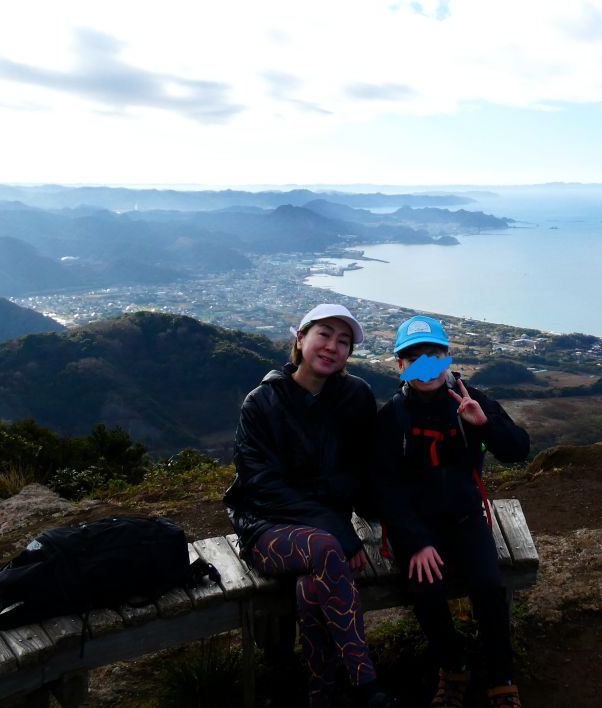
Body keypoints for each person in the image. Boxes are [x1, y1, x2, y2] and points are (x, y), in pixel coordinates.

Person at [223, 303, 398, 708]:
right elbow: (263, 486)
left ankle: (321, 693)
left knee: (312, 583)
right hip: (266, 526)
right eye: (324, 334)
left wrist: (396, 517)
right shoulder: (261, 403)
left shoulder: (355, 397)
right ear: (300, 340)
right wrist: (337, 531)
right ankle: (365, 683)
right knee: (325, 549)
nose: (332, 346)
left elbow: (366, 467)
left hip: (325, 533)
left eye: (344, 341)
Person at [374, 315, 531, 708]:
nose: (425, 365)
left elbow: (517, 450)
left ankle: (502, 679)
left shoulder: (469, 398)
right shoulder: (392, 417)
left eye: (433, 355)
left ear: (447, 357)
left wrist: (484, 424)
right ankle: (453, 666)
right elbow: (386, 490)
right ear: (400, 366)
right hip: (419, 528)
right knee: (425, 593)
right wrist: (417, 543)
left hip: (465, 518)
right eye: (414, 358)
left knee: (489, 589)